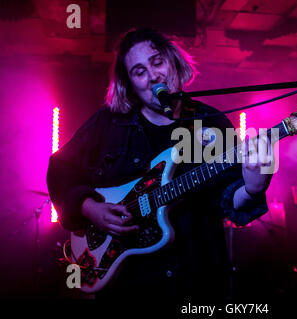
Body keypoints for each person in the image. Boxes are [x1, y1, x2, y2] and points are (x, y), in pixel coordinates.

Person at [47, 28, 273, 302]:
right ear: (129, 84)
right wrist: (89, 207)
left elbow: (229, 201)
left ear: (173, 61)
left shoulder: (212, 123)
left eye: (157, 62)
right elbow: (60, 169)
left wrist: (253, 186)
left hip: (196, 285)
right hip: (130, 287)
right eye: (139, 71)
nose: (153, 75)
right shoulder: (109, 123)